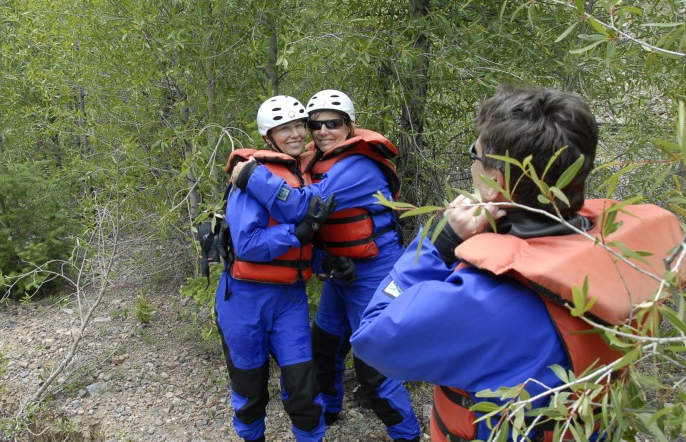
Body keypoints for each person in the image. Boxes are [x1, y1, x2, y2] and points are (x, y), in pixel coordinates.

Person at [350, 84, 683, 441]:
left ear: (494, 182)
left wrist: (439, 243)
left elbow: (373, 339)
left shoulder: (478, 299)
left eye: (474, 155)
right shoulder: (628, 252)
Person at [233, 90, 421, 442]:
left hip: (374, 272)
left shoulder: (358, 166)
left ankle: (406, 434)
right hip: (341, 270)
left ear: (350, 126)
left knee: (373, 364)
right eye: (314, 124)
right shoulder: (318, 160)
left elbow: (303, 207)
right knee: (324, 348)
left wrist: (250, 175)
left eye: (332, 123)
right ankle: (332, 411)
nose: (321, 131)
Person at [216, 95, 335, 442]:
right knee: (250, 392)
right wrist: (295, 233)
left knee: (303, 389)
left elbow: (299, 245)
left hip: (289, 299)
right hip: (244, 299)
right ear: (270, 135)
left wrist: (322, 261)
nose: (296, 134)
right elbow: (249, 245)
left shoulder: (301, 177)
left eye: (300, 125)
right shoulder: (251, 179)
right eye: (285, 129)